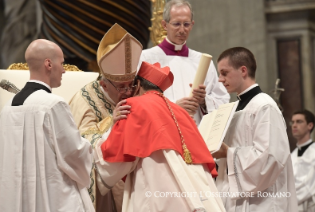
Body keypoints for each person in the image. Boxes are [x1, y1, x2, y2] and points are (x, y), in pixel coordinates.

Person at [92, 61, 226, 212]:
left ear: (137, 84)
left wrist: (96, 144)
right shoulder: (180, 111)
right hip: (200, 191)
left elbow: (115, 159)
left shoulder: (134, 105)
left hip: (159, 190)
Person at [0, 39, 94, 212]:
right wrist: (90, 143)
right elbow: (74, 154)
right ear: (49, 64)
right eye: (62, 63)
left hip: (14, 200)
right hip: (52, 198)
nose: (64, 70)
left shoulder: (7, 108)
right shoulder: (53, 104)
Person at [212, 47, 298, 211]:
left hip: (262, 202)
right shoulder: (233, 108)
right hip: (234, 199)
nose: (219, 79)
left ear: (243, 70)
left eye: (224, 73)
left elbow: (270, 158)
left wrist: (228, 153)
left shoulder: (264, 106)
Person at [69, 23, 143, 212]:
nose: (127, 92)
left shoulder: (136, 91)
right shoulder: (85, 99)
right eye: (121, 87)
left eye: (131, 84)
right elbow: (81, 145)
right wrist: (112, 122)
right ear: (104, 84)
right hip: (106, 183)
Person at [140, 0, 229, 125]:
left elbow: (223, 99)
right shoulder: (146, 58)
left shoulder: (203, 61)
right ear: (164, 25)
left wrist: (204, 101)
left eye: (186, 24)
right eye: (176, 24)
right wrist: (173, 106)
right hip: (163, 131)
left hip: (196, 131)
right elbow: (139, 100)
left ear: (192, 25)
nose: (182, 30)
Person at [290, 109, 315, 212]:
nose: (294, 125)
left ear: (310, 126)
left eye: (299, 121)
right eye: (293, 122)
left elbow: (309, 185)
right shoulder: (291, 156)